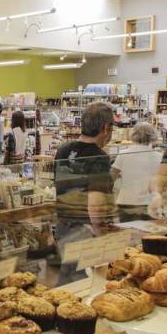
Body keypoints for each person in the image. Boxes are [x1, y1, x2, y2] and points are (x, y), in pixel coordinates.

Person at [53, 102, 117, 285]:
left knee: (68, 278)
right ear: (106, 128)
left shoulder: (63, 149)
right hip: (85, 229)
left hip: (63, 225)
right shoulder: (99, 157)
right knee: (85, 283)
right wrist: (102, 233)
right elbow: (95, 203)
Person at [111, 122, 162, 222]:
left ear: (133, 135)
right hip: (148, 203)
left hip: (125, 201)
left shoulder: (123, 154)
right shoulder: (158, 157)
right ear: (152, 136)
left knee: (126, 233)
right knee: (146, 233)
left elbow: (112, 178)